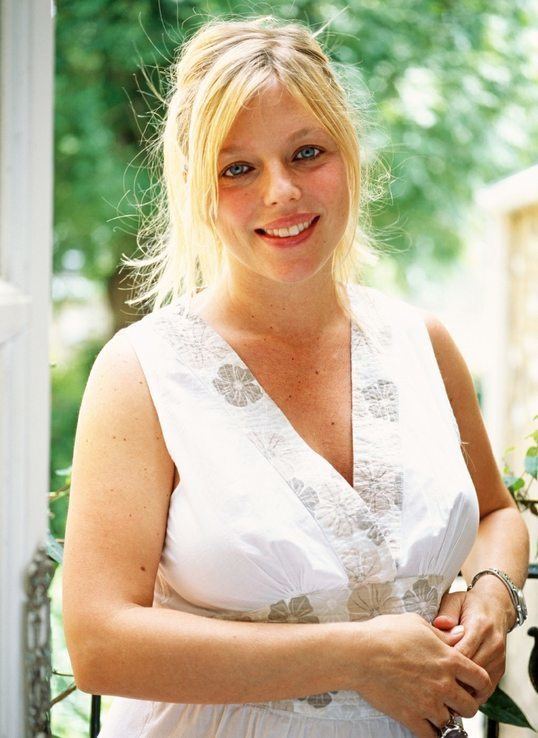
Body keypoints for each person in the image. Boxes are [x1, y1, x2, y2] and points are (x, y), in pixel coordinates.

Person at [61, 15, 530, 738]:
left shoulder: (422, 343)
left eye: (307, 152)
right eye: (237, 167)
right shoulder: (141, 373)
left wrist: (495, 598)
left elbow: (496, 515)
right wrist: (355, 657)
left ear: (349, 154)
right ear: (195, 189)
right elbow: (98, 644)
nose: (282, 191)